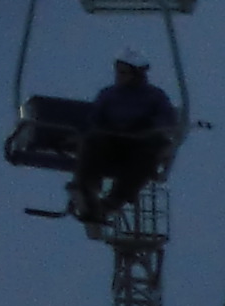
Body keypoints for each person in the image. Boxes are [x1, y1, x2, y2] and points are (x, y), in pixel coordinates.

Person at [66, 56, 180, 232]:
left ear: (136, 74)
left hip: (138, 144)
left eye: (123, 73)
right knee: (93, 143)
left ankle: (113, 200)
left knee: (145, 158)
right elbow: (94, 120)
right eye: (118, 72)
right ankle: (86, 189)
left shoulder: (154, 96)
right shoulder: (109, 94)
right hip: (112, 142)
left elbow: (166, 120)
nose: (119, 76)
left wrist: (150, 128)